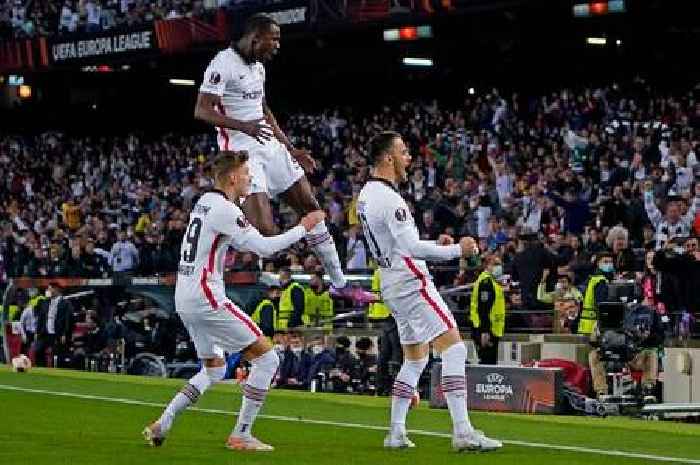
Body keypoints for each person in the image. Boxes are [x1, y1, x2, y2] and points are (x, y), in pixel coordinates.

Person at [143, 151, 325, 452]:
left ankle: (163, 422)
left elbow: (231, 225)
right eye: (245, 173)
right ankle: (242, 433)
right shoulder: (224, 210)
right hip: (207, 297)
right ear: (231, 178)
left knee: (214, 369)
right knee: (269, 359)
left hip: (184, 297)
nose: (250, 177)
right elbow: (265, 248)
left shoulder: (205, 202)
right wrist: (304, 226)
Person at [193, 13, 373, 306]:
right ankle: (229, 243)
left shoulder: (258, 68)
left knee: (312, 208)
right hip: (242, 152)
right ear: (255, 38)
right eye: (272, 39)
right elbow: (201, 110)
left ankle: (339, 284)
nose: (277, 45)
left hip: (270, 146)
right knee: (265, 233)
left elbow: (263, 109)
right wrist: (243, 126)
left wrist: (291, 148)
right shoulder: (222, 64)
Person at [357, 131, 501, 451]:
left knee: (415, 359)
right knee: (455, 349)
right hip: (411, 282)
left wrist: (436, 244)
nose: (409, 157)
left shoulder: (366, 194)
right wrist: (457, 251)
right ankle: (462, 431)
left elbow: (399, 245)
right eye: (404, 152)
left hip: (391, 282)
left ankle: (395, 432)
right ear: (388, 158)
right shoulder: (390, 199)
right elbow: (409, 247)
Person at [470, 255, 506, 365]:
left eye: (499, 264)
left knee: (490, 363)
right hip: (485, 329)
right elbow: (483, 309)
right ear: (487, 266)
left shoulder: (493, 281)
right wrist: (485, 331)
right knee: (487, 363)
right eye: (495, 264)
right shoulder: (486, 282)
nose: (498, 267)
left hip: (493, 329)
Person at [577, 253, 612, 335]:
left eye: (611, 262)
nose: (609, 264)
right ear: (598, 263)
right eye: (605, 262)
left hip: (585, 324)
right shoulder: (600, 281)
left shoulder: (592, 278)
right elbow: (600, 304)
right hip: (594, 325)